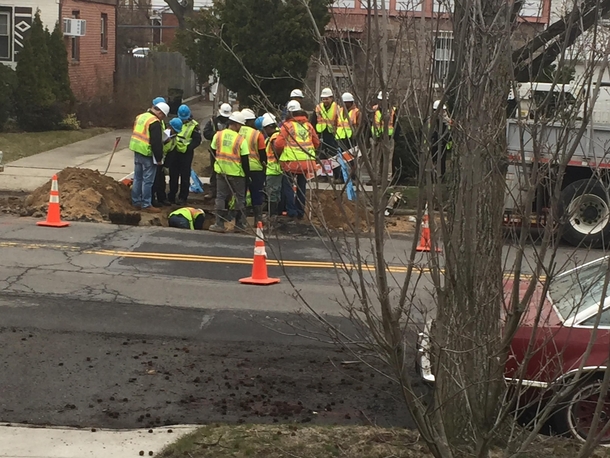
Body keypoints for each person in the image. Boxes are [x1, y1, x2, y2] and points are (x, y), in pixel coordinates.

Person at [276, 100, 320, 219]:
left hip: (291, 162)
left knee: (288, 188)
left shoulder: (288, 126)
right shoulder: (308, 126)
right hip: (306, 162)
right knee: (302, 187)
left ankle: (291, 212)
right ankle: (300, 212)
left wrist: (280, 154)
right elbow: (316, 142)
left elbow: (278, 144)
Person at [208, 111, 250, 233]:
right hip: (237, 174)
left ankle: (219, 224)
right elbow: (245, 161)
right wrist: (248, 177)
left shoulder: (218, 135)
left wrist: (214, 168)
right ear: (236, 125)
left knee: (220, 197)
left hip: (221, 171)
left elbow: (213, 152)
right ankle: (239, 224)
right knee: (240, 198)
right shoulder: (241, 140)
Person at [129, 101, 169, 213]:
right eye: (163, 116)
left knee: (137, 178)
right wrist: (159, 158)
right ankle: (146, 204)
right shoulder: (154, 122)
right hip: (147, 153)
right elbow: (156, 142)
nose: (162, 119)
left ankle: (136, 202)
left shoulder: (141, 117)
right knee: (148, 181)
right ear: (160, 113)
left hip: (137, 150)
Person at [168, 104, 202, 205]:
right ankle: (171, 196)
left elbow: (197, 140)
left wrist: (188, 148)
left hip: (186, 154)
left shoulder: (194, 125)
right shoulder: (174, 122)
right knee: (173, 175)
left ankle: (183, 197)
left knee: (185, 176)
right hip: (174, 151)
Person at [239, 108, 267, 224]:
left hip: (239, 168)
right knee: (256, 193)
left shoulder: (237, 132)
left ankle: (241, 221)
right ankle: (258, 219)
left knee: (241, 194)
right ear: (250, 121)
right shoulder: (257, 134)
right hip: (256, 168)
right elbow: (262, 153)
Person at [370, 91, 401, 185]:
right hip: (376, 137)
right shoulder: (374, 110)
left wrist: (394, 138)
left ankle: (388, 179)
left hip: (389, 138)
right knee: (376, 159)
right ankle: (376, 178)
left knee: (388, 159)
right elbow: (370, 123)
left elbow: (397, 125)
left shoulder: (393, 111)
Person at [203, 103, 233, 198]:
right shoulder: (213, 121)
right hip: (215, 150)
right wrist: (218, 135)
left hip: (229, 151)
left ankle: (227, 192)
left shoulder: (232, 122)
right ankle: (213, 191)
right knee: (215, 171)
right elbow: (206, 133)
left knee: (229, 172)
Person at [310, 87, 339, 180]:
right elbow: (313, 121)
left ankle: (337, 175)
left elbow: (339, 121)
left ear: (331, 98)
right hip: (321, 134)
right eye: (323, 99)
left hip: (332, 134)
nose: (325, 100)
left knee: (334, 155)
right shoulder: (318, 108)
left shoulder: (337, 108)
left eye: (327, 98)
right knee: (322, 155)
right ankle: (324, 175)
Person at [153, 117, 183, 207]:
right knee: (155, 181)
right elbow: (157, 147)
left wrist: (166, 166)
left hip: (162, 161)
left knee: (161, 180)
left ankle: (162, 198)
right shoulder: (163, 135)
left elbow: (171, 152)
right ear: (170, 128)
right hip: (156, 159)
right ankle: (152, 199)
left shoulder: (173, 139)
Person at [334, 92, 361, 184]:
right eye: (343, 102)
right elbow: (335, 123)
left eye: (346, 102)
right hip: (340, 137)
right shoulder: (339, 111)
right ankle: (341, 177)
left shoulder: (357, 112)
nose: (344, 104)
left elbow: (360, 125)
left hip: (351, 139)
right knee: (340, 158)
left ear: (351, 102)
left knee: (352, 160)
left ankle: (353, 178)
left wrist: (356, 135)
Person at [262, 113, 282, 221]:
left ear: (270, 127)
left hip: (274, 169)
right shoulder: (276, 136)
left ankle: (272, 215)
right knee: (275, 192)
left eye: (265, 129)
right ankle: (273, 214)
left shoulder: (274, 137)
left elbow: (276, 152)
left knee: (272, 192)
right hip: (275, 169)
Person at [429, 100, 453, 180]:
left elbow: (449, 131)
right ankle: (434, 177)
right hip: (434, 144)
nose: (443, 112)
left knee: (442, 161)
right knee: (434, 160)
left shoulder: (447, 121)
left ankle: (441, 177)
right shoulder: (434, 121)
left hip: (444, 144)